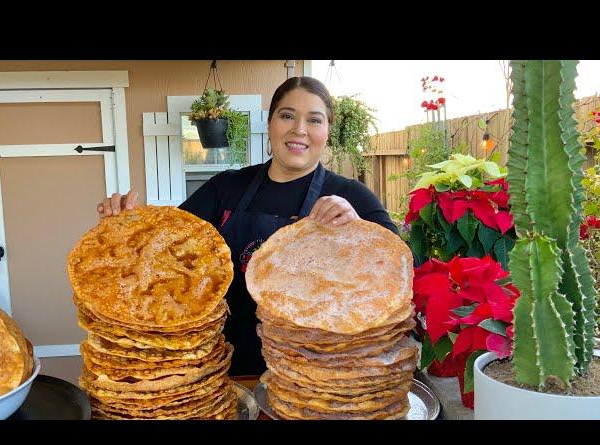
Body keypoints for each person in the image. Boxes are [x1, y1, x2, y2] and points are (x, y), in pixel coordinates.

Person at [97, 76, 399, 376]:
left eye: (314, 120)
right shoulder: (226, 188)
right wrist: (126, 229)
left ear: (327, 132)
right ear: (270, 124)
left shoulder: (350, 196)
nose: (299, 129)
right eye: (287, 115)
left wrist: (359, 229)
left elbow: (401, 272)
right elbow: (164, 247)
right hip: (222, 362)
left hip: (312, 369)